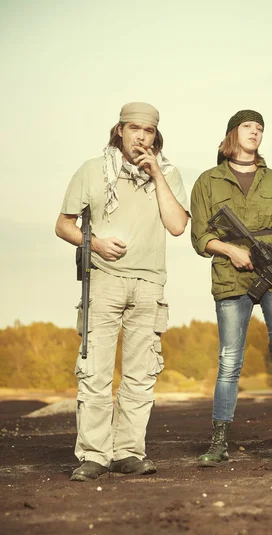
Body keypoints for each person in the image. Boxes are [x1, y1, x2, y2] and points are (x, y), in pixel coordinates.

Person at [56, 102, 189, 481]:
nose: (141, 137)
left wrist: (157, 175)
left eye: (148, 131)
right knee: (95, 371)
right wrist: (94, 243)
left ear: (155, 135)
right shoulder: (92, 171)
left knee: (140, 374)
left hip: (150, 284)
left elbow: (178, 226)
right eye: (134, 129)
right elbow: (63, 225)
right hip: (104, 280)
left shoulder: (169, 173)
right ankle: (94, 455)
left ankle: (128, 452)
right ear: (120, 131)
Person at [190, 109, 272, 467]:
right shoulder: (208, 180)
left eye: (260, 128)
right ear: (232, 133)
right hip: (231, 277)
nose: (255, 132)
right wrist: (231, 249)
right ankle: (219, 442)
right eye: (248, 126)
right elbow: (201, 236)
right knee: (230, 360)